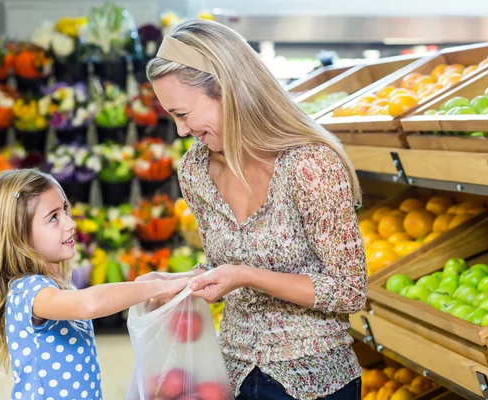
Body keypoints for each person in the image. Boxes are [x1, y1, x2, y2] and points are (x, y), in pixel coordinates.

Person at [140, 19, 367, 400]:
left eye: (183, 114)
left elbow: (350, 290)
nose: (180, 131)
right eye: (172, 117)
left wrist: (247, 275)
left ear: (227, 91)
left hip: (315, 380)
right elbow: (220, 266)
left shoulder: (309, 165)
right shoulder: (194, 170)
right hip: (234, 374)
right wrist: (178, 283)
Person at [0, 169, 189, 400]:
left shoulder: (59, 288)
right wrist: (158, 287)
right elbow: (91, 304)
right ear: (17, 235)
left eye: (65, 209)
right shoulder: (28, 291)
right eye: (53, 217)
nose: (70, 223)